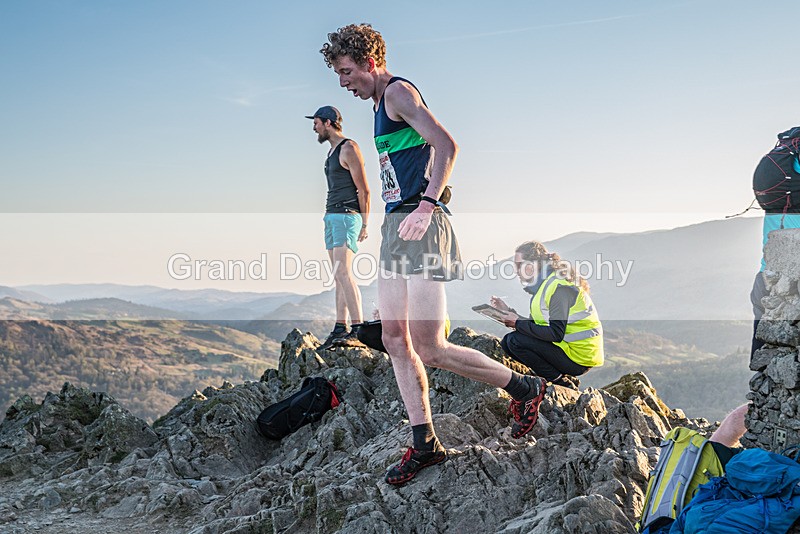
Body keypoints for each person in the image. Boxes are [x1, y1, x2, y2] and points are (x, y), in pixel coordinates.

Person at [320, 24, 547, 485]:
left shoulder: (399, 93)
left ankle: (525, 388)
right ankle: (425, 444)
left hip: (422, 223)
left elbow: (448, 146)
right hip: (395, 225)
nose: (343, 83)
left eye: (346, 72)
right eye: (338, 75)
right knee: (394, 339)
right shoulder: (381, 106)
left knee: (429, 345)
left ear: (370, 62)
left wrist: (427, 205)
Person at [492, 241, 604, 390]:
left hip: (579, 357)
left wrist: (517, 323)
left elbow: (555, 333)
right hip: (567, 349)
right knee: (508, 343)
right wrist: (509, 312)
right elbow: (536, 326)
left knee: (514, 341)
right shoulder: (543, 287)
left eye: (519, 265)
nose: (516, 271)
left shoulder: (559, 288)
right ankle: (547, 376)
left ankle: (560, 383)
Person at [306, 105, 370, 349]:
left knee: (344, 272)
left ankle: (358, 329)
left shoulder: (349, 148)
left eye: (317, 122)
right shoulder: (332, 151)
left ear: (329, 123)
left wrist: (364, 222)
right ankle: (340, 327)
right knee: (338, 275)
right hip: (332, 215)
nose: (314, 127)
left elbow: (364, 189)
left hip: (346, 215)